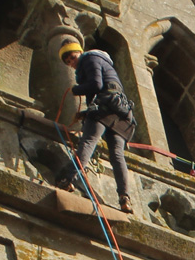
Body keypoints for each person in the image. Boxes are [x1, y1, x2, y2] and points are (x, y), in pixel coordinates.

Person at [56, 39, 136, 213]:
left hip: (105, 109)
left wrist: (75, 90)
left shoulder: (90, 59)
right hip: (121, 114)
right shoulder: (99, 61)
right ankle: (125, 198)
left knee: (88, 141)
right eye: (68, 61)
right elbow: (104, 88)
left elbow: (97, 85)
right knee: (117, 155)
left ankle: (69, 178)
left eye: (72, 56)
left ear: (79, 52)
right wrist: (85, 114)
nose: (71, 62)